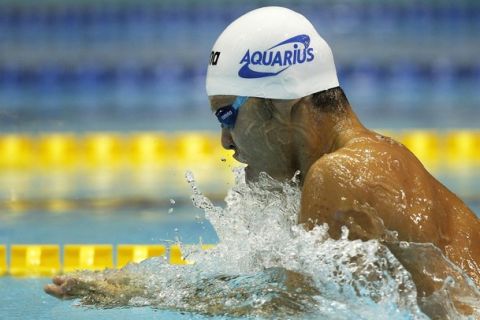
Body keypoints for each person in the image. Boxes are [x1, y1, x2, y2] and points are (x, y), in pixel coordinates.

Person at [46, 6, 479, 307]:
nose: (225, 143)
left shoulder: (343, 175)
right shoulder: (367, 160)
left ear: (279, 104)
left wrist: (138, 295)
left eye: (227, 116)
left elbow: (290, 307)